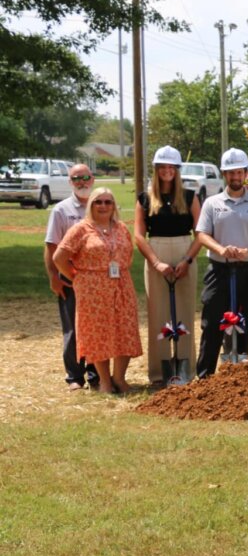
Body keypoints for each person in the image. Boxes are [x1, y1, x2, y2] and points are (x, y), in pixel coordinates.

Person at [52, 188, 143, 393]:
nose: (103, 206)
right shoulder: (80, 230)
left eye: (108, 202)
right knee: (98, 333)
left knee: (124, 330)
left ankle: (119, 379)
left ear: (113, 206)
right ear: (91, 205)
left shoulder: (121, 228)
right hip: (92, 290)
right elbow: (59, 258)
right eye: (98, 202)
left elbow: (128, 256)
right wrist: (77, 277)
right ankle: (105, 382)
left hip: (122, 286)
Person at [195, 148, 248, 377]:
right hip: (219, 270)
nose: (235, 177)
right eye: (230, 173)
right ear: (224, 174)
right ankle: (205, 377)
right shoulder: (212, 203)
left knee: (243, 324)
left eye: (239, 172)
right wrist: (222, 249)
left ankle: (239, 378)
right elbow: (201, 234)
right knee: (212, 325)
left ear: (245, 172)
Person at [134, 146, 202, 386]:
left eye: (171, 167)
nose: (166, 171)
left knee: (184, 311)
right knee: (158, 314)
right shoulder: (144, 198)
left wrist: (187, 260)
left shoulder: (190, 196)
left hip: (185, 250)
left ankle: (185, 370)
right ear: (156, 170)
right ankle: (159, 373)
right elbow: (139, 236)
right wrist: (156, 262)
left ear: (177, 170)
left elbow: (201, 233)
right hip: (156, 253)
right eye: (162, 167)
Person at [44, 163, 100, 391]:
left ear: (92, 179)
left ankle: (96, 375)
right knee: (73, 329)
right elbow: (51, 246)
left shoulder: (100, 207)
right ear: (70, 183)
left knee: (96, 328)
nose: (81, 182)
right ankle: (74, 376)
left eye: (85, 177)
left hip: (96, 282)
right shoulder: (61, 210)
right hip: (69, 280)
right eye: (76, 178)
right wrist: (53, 277)